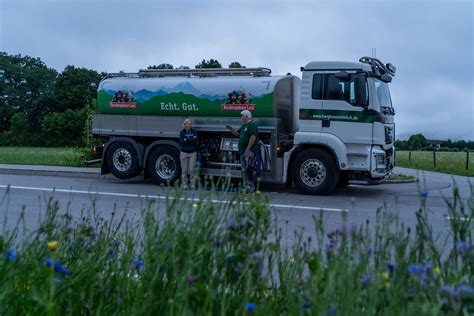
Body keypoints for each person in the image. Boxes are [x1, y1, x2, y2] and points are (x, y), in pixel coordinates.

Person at [225, 110, 259, 192]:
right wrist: (230, 128)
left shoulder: (252, 125)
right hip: (243, 152)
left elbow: (253, 137)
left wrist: (248, 149)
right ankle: (245, 186)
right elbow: (237, 134)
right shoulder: (244, 125)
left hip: (248, 151)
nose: (241, 117)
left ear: (246, 116)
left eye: (242, 116)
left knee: (248, 169)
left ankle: (250, 187)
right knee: (244, 170)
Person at [179, 119, 198, 189]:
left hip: (192, 153)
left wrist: (187, 139)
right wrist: (191, 139)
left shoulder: (194, 131)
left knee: (191, 170)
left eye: (190, 124)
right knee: (184, 170)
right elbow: (182, 142)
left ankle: (192, 184)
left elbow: (195, 140)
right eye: (188, 124)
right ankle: (184, 184)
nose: (189, 125)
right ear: (185, 125)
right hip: (184, 153)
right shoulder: (182, 132)